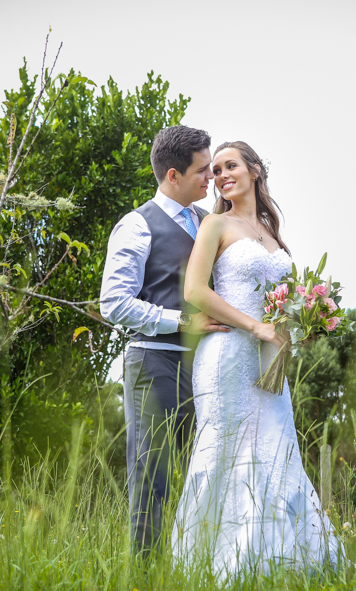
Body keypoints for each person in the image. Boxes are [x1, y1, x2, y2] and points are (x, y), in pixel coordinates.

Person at [171, 141, 345, 578]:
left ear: (254, 170)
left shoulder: (271, 231)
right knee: (225, 453)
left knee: (277, 450)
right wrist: (255, 327)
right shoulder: (215, 223)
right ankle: (213, 567)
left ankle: (280, 565)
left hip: (269, 363)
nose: (221, 175)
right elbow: (195, 290)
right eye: (215, 170)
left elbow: (280, 302)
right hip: (227, 356)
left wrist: (302, 323)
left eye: (230, 165)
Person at [99, 125, 229, 555]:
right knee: (151, 477)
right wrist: (182, 320)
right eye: (202, 170)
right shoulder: (137, 225)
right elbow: (113, 303)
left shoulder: (209, 222)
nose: (211, 177)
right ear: (173, 175)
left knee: (209, 471)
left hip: (209, 367)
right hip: (154, 364)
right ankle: (145, 574)